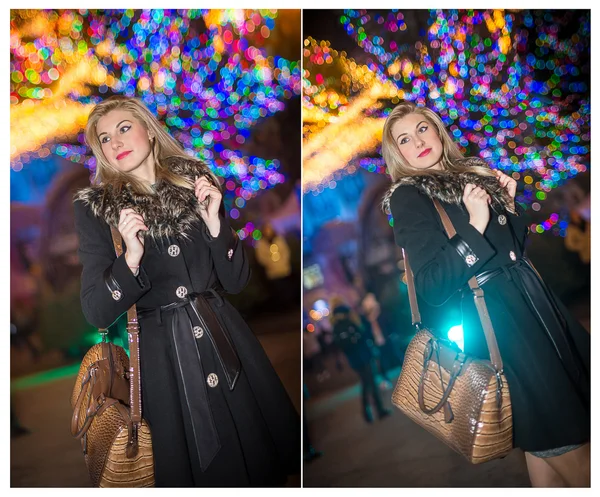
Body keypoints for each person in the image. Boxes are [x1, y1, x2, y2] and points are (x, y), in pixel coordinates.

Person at [73, 96, 299, 487]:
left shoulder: (196, 183)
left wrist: (215, 225)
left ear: (149, 129)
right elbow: (95, 310)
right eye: (104, 138)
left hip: (225, 339)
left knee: (257, 464)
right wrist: (129, 260)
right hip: (162, 364)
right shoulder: (97, 211)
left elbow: (235, 281)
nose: (116, 142)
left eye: (124, 128)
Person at [381, 101, 590, 487]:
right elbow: (432, 284)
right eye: (405, 139)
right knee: (565, 434)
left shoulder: (470, 176)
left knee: (545, 438)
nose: (419, 142)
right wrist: (474, 226)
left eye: (423, 129)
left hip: (535, 304)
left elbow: (512, 251)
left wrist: (508, 208)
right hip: (503, 324)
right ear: (399, 153)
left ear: (438, 129)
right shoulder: (409, 197)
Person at [329, 296, 392, 424]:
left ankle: (367, 412)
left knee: (366, 383)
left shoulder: (335, 323)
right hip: (364, 354)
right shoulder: (350, 317)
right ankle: (378, 410)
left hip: (353, 359)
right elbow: (364, 333)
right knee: (370, 382)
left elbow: (338, 345)